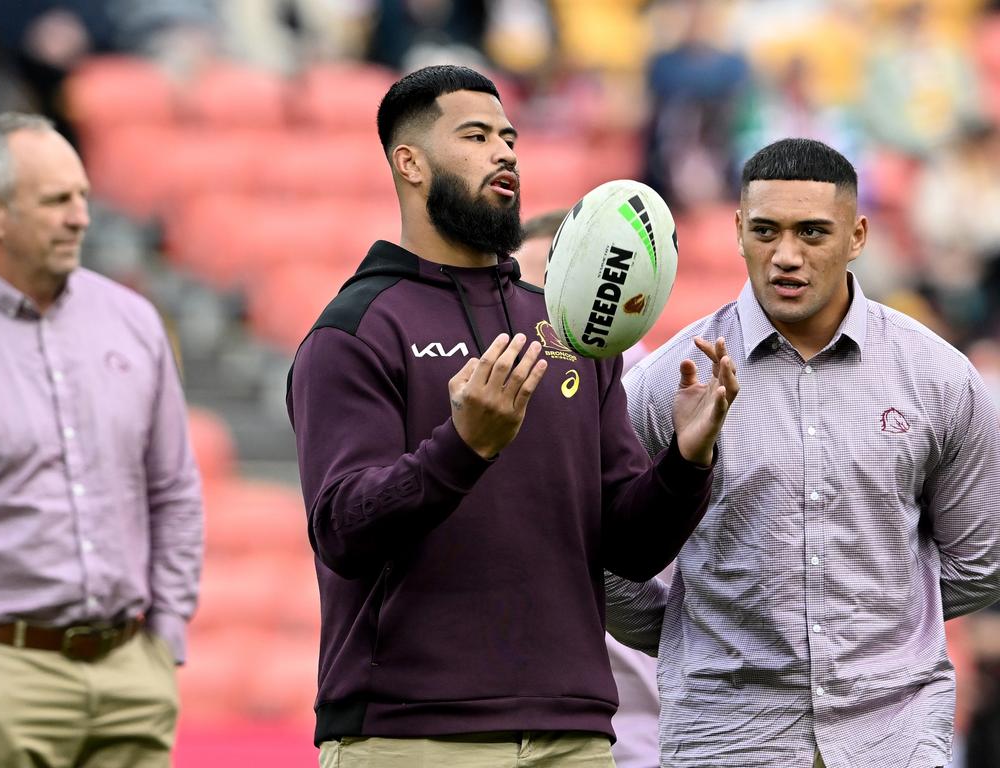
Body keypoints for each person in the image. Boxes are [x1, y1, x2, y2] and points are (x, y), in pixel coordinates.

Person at [286, 64, 739, 767]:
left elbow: (628, 544)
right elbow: (342, 530)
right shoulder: (355, 329)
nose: (503, 152)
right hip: (411, 733)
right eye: (474, 135)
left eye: (509, 137)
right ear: (409, 162)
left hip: (574, 731)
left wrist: (686, 459)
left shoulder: (567, 329)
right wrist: (462, 448)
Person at [606, 137, 1000, 768]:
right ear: (736, 230)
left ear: (859, 235)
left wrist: (877, 619)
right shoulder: (668, 379)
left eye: (813, 232)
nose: (786, 256)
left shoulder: (939, 376)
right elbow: (602, 561)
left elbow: (980, 561)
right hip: (724, 737)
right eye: (765, 231)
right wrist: (694, 631)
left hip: (891, 735)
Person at [0, 112, 203, 767]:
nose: (80, 217)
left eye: (82, 196)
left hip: (129, 671)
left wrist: (163, 638)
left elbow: (174, 489)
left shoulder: (132, 321)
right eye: (55, 202)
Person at [513, 209, 660, 767]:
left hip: (648, 734)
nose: (535, 313)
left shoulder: (663, 397)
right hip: (530, 726)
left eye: (553, 288)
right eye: (522, 288)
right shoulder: (492, 402)